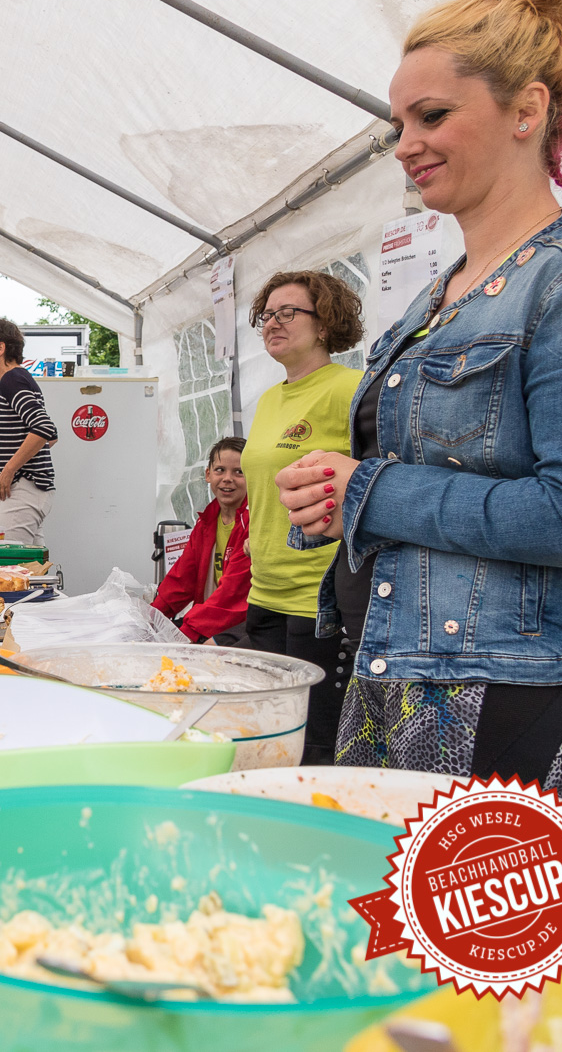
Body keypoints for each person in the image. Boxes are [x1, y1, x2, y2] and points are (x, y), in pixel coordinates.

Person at [276, 0, 562, 796]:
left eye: (432, 116)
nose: (406, 145)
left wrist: (368, 491)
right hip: (396, 661)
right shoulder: (439, 295)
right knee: (382, 872)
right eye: (399, 125)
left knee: (448, 884)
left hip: (496, 681)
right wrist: (337, 501)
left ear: (527, 110)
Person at [238, 271, 363, 765]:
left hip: (318, 600)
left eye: (288, 312)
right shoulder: (271, 399)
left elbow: (377, 480)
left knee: (313, 750)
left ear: (325, 323)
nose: (273, 322)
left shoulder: (350, 389)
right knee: (265, 739)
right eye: (267, 315)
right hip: (264, 590)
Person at [152, 437, 250, 645]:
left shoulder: (254, 524)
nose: (227, 479)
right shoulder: (207, 522)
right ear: (208, 474)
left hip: (244, 623)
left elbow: (231, 594)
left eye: (239, 472)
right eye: (220, 470)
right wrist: (151, 619)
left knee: (199, 650)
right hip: (210, 619)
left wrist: (185, 635)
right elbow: (181, 579)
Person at [0, 318, 56, 544]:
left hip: (23, 491)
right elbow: (51, 436)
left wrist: (9, 470)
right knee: (31, 563)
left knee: (10, 560)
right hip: (30, 490)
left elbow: (44, 428)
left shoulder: (12, 380)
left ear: (0, 348)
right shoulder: (20, 379)